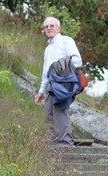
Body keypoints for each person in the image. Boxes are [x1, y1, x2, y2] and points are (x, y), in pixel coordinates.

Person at [35, 16, 82, 147]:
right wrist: (41, 92)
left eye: (52, 26)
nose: (49, 28)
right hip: (51, 85)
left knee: (61, 113)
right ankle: (51, 145)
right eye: (46, 27)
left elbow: (77, 60)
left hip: (63, 83)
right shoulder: (48, 49)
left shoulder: (66, 41)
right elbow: (45, 72)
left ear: (58, 28)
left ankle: (65, 144)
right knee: (49, 115)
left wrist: (59, 67)